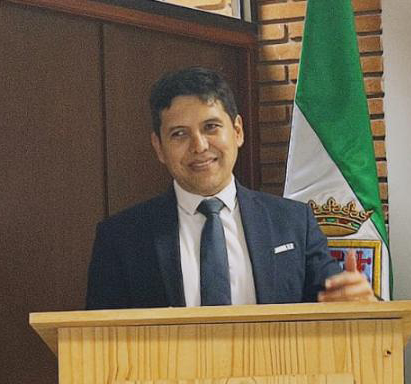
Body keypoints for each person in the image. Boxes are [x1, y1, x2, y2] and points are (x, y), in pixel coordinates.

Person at [85, 67, 374, 310]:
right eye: (179, 134)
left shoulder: (293, 223)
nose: (199, 146)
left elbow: (340, 303)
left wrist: (360, 299)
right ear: (158, 147)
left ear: (237, 131)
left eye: (211, 127)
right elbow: (96, 345)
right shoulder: (121, 239)